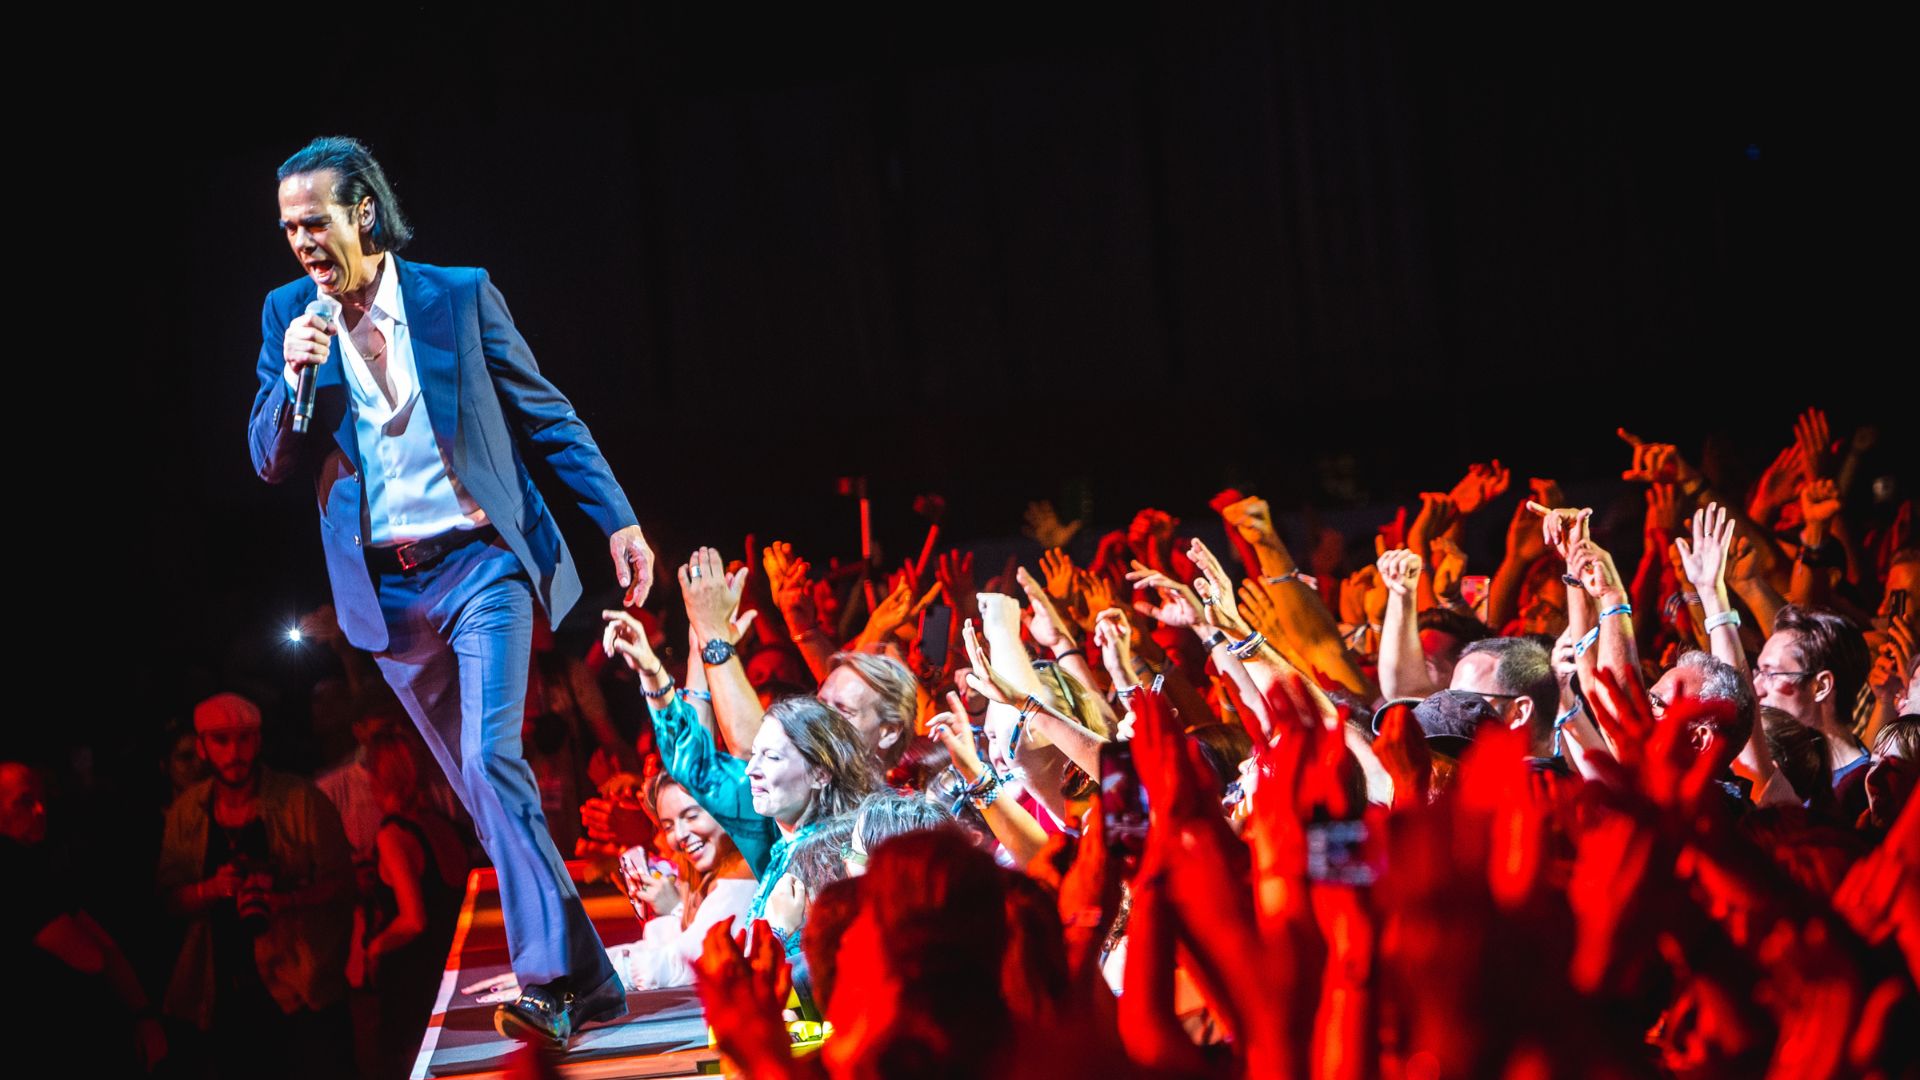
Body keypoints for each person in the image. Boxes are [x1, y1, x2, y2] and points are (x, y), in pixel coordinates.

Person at [248, 136, 657, 1048]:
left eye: (314, 221)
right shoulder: (286, 315)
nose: (302, 242)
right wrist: (294, 374)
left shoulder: (459, 296)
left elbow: (547, 415)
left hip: (481, 565)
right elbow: (271, 459)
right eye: (287, 228)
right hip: (387, 595)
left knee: (489, 757)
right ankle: (594, 980)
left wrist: (619, 521)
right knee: (481, 789)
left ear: (363, 211)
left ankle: (551, 985)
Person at [156, 693, 355, 1079]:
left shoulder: (300, 799)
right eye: (221, 740)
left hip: (302, 985)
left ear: (258, 740)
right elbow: (167, 899)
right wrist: (211, 888)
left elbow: (342, 881)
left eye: (244, 738)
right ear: (203, 747)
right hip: (222, 992)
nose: (235, 752)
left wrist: (285, 899)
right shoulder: (188, 811)